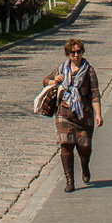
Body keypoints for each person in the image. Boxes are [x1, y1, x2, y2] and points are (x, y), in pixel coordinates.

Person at [43, 38, 103, 192]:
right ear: (68, 54)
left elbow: (95, 94)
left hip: (84, 114)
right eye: (72, 52)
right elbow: (45, 80)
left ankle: (84, 164)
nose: (76, 55)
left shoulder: (89, 70)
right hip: (64, 112)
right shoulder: (62, 68)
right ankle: (70, 180)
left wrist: (98, 114)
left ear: (82, 52)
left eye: (78, 52)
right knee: (66, 146)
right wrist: (54, 81)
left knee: (85, 147)